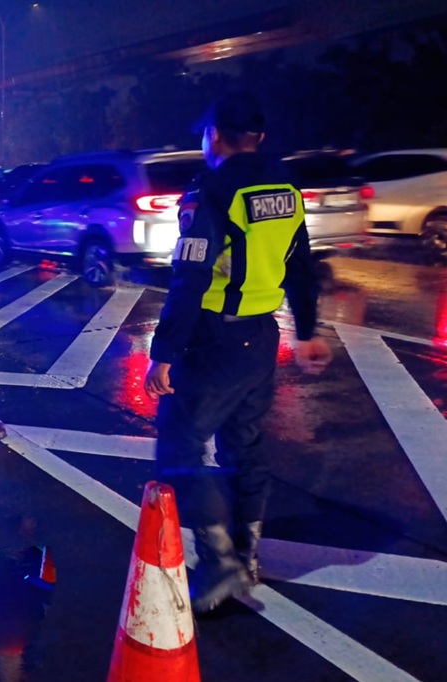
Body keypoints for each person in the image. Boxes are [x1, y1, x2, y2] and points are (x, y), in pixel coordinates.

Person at [144, 91, 332, 614]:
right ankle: (247, 556)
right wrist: (308, 329)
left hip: (213, 340)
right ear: (261, 138)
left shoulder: (212, 190)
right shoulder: (287, 189)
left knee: (179, 447)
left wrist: (164, 353)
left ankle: (220, 561)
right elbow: (301, 265)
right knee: (243, 447)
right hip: (261, 338)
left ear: (216, 136)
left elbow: (190, 276)